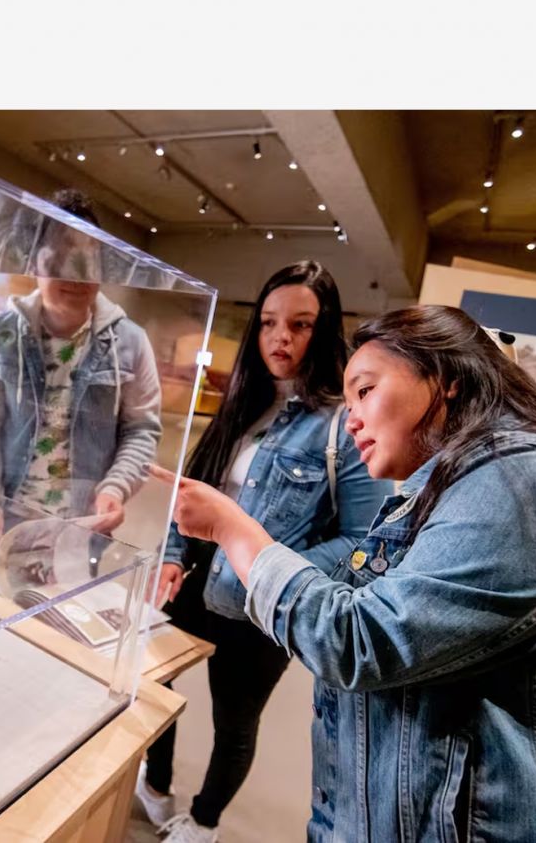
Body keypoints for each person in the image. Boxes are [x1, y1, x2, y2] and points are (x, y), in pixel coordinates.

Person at [154, 304, 536, 842]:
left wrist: (236, 533)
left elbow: (360, 640)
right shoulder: (464, 484)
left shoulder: (533, 480)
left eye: (366, 390)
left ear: (445, 378)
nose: (352, 419)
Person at [137, 262, 394, 842]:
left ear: (323, 331)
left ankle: (203, 823)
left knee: (234, 721)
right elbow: (194, 491)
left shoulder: (343, 425)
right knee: (154, 686)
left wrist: (268, 567)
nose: (281, 338)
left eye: (300, 325)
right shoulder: (242, 402)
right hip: (195, 581)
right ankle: (156, 784)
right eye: (269, 323)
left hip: (260, 603)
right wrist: (174, 552)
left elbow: (362, 541)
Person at [0, 188, 162, 548]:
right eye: (61, 256)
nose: (76, 274)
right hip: (6, 520)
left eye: (88, 258)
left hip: (83, 528)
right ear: (34, 260)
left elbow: (141, 430)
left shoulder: (131, 341)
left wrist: (114, 488)